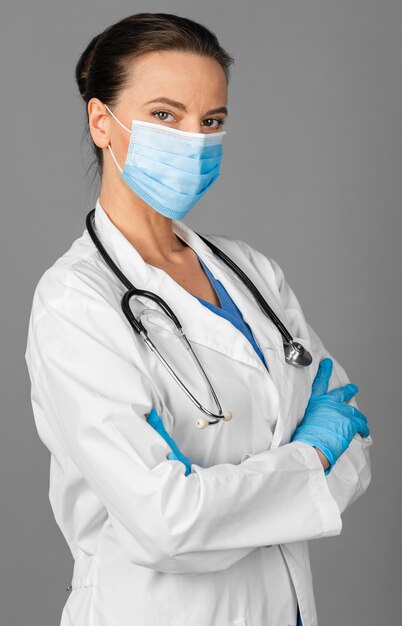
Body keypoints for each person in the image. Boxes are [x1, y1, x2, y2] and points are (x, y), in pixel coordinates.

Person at [24, 12, 372, 626]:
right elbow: (167, 522)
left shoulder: (253, 274)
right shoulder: (76, 303)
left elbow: (355, 446)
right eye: (165, 115)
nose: (195, 139)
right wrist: (307, 459)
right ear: (101, 122)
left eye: (212, 121)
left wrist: (249, 490)